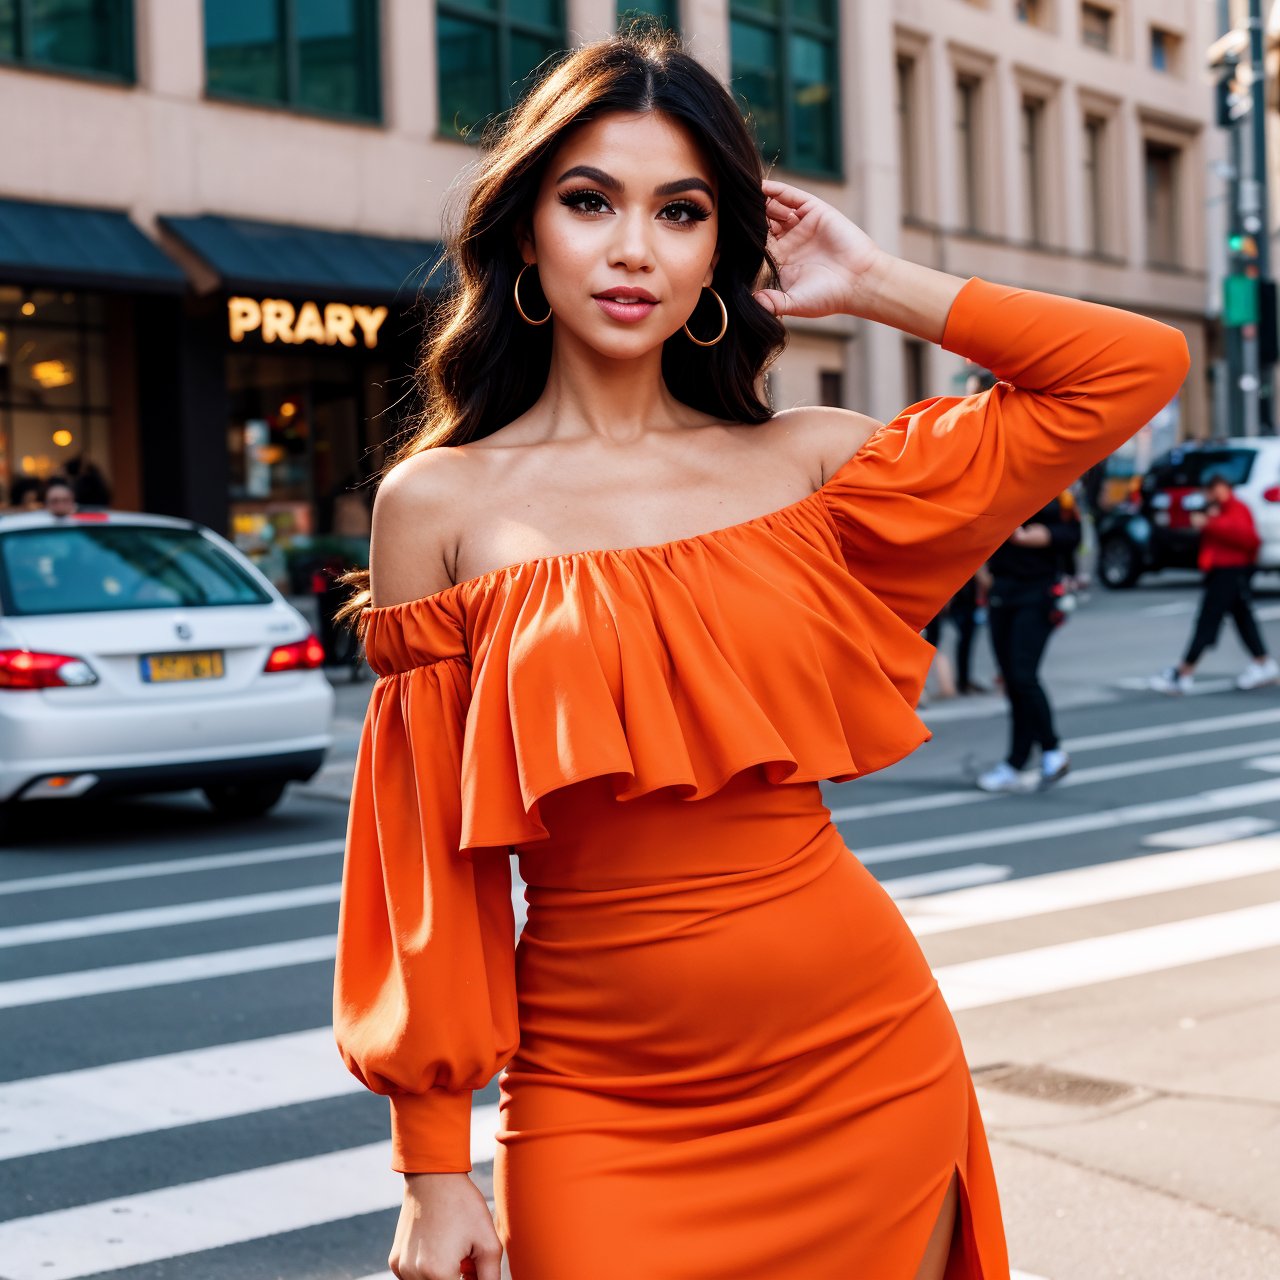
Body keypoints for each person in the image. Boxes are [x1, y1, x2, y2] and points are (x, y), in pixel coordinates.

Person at [329, 31, 1189, 1280]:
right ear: (526, 231)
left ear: (719, 247)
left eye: (679, 212)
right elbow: (421, 870)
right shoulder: (439, 504)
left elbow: (1128, 369)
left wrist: (878, 279)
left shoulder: (811, 467)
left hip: (863, 1064)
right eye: (589, 201)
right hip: (599, 1099)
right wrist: (430, 1166)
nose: (634, 248)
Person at [976, 493, 1080, 793]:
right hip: (1002, 588)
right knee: (1012, 679)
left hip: (1038, 590)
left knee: (1023, 675)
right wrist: (981, 572)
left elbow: (1073, 534)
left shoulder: (1058, 488)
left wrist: (1038, 537)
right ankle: (1016, 761)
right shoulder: (996, 480)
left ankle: (1052, 749)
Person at [1150, 468, 1278, 694]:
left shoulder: (1235, 509)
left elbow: (1248, 538)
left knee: (1208, 621)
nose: (1209, 497)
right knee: (1242, 619)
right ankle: (1263, 663)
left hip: (1230, 572)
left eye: (1211, 492)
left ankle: (1183, 672)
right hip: (1222, 571)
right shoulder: (1217, 510)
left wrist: (1211, 523)